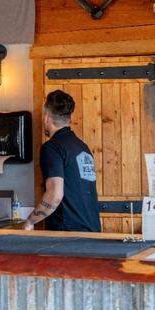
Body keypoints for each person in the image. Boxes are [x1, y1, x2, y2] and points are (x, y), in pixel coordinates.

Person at [23, 90, 101, 232]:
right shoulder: (82, 147)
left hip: (68, 236)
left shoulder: (52, 148)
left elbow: (55, 195)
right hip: (93, 231)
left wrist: (30, 221)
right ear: (70, 117)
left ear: (46, 118)